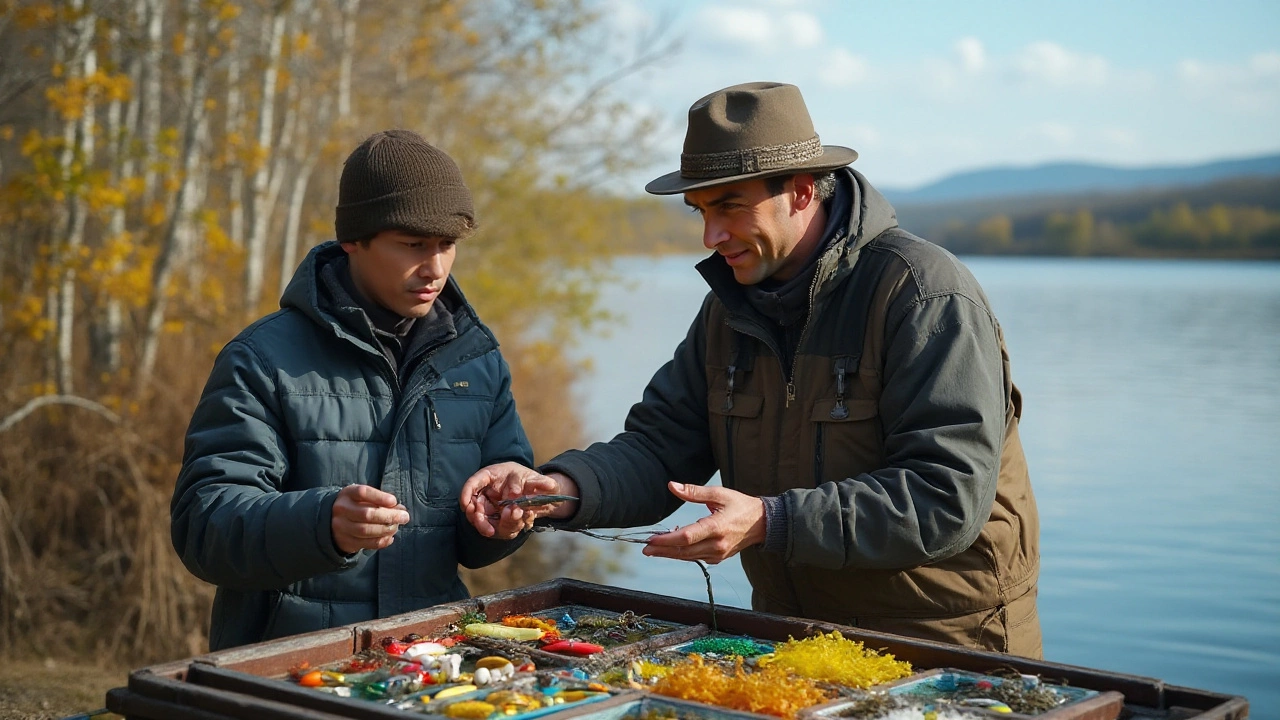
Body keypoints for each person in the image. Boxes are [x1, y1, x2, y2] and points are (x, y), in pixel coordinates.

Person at [462, 83, 1042, 657]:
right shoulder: (728, 310)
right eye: (702, 211)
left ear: (802, 191)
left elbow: (945, 496)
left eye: (729, 207)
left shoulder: (923, 295)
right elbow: (661, 448)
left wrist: (771, 520)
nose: (711, 237)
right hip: (795, 641)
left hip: (951, 645)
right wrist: (560, 490)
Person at [172, 129, 542, 651]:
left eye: (447, 245)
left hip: (428, 661)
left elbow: (476, 539)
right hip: (289, 668)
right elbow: (203, 527)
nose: (435, 268)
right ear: (353, 240)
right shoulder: (261, 358)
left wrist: (507, 522)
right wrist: (323, 525)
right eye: (413, 244)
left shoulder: (477, 360)